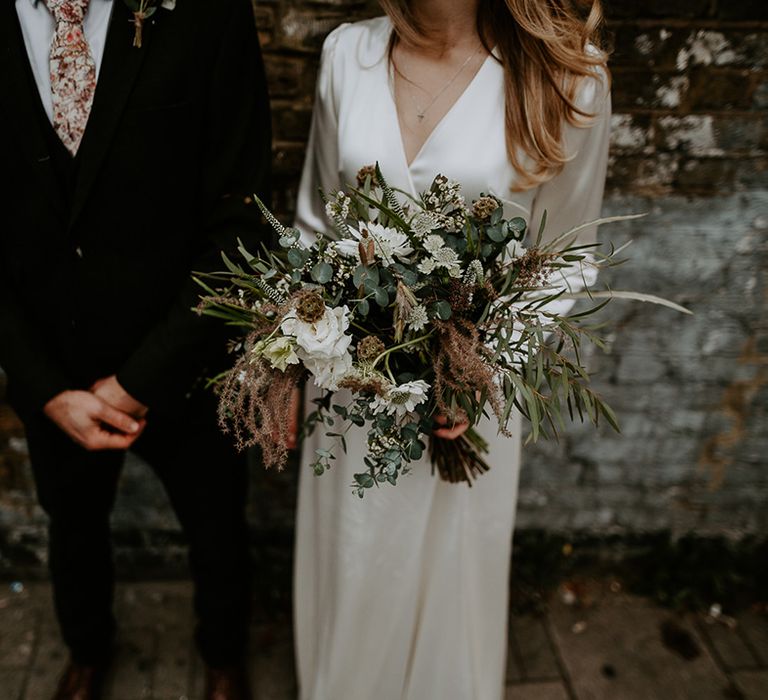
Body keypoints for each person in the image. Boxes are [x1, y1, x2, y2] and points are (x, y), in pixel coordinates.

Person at [292, 0, 611, 698]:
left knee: (450, 574)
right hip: (354, 389)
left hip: (473, 390)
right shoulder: (349, 55)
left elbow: (569, 256)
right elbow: (316, 221)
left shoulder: (564, 77)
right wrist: (320, 344)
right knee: (357, 563)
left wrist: (480, 365)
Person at [0, 0, 271, 698]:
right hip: (49, 365)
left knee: (216, 527)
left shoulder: (208, 12)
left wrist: (141, 376)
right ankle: (86, 651)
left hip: (188, 354)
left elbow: (241, 220)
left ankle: (223, 657)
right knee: (73, 528)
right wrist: (43, 386)